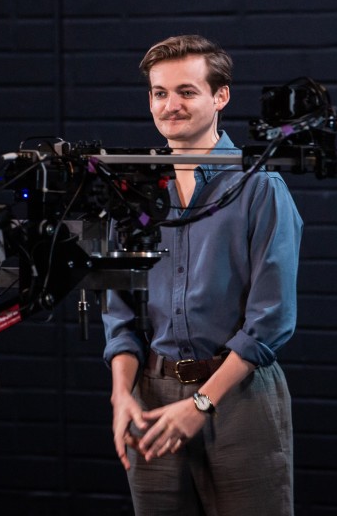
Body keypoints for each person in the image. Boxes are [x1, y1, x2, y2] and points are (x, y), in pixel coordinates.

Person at [103, 34, 302, 515]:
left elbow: (272, 319)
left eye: (186, 91)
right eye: (159, 93)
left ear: (220, 96)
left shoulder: (260, 187)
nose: (170, 105)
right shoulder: (132, 191)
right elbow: (119, 314)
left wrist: (201, 405)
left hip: (239, 395)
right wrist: (121, 394)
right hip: (150, 396)